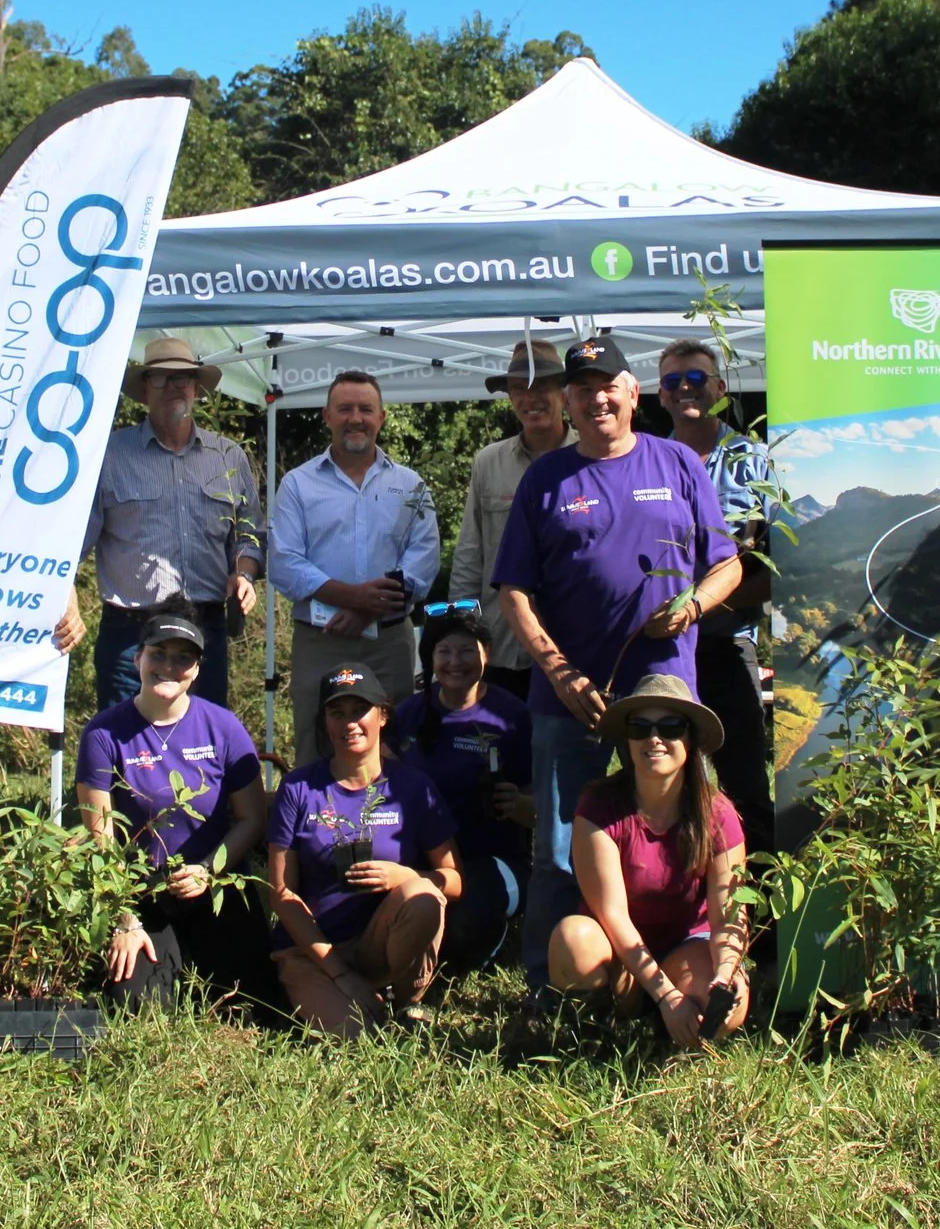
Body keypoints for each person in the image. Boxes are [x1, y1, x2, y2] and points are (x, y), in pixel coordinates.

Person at [491, 333, 741, 1022]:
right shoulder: (547, 478)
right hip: (568, 696)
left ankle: (679, 974)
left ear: (634, 392)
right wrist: (558, 668)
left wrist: (692, 603)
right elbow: (513, 589)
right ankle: (553, 995)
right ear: (567, 403)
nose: (596, 398)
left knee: (680, 833)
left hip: (663, 693)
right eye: (582, 389)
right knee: (557, 848)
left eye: (609, 385)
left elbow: (729, 565)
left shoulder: (680, 463)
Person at [77, 600, 278, 1010]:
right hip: (142, 891)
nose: (169, 667)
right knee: (135, 1006)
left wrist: (207, 869)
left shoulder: (223, 727)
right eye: (159, 654)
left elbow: (252, 819)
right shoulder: (102, 734)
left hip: (216, 884)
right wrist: (124, 919)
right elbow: (101, 841)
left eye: (183, 658)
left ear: (198, 669)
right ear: (138, 659)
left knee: (254, 1004)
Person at [54, 338, 263, 711]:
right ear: (145, 388)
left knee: (201, 747)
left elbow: (248, 534)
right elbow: (71, 539)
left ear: (197, 388)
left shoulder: (228, 456)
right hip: (130, 634)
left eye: (183, 378)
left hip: (205, 629)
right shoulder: (109, 455)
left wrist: (243, 574)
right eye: (163, 378)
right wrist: (64, 591)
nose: (174, 387)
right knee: (125, 748)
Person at [548, 674, 750, 1050]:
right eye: (640, 728)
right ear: (627, 740)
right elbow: (612, 916)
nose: (654, 738)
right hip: (617, 954)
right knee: (573, 937)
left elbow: (729, 916)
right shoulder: (598, 805)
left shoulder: (718, 813)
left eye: (670, 727)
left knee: (729, 1011)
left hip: (687, 946)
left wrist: (726, 973)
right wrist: (666, 995)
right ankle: (594, 1038)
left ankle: (676, 1031)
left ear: (690, 739)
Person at [265, 662, 462, 1036]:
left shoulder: (413, 787)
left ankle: (407, 1002)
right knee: (356, 1037)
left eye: (360, 710)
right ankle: (343, 995)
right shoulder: (298, 788)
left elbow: (454, 881)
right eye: (337, 713)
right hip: (315, 949)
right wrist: (340, 973)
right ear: (324, 721)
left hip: (380, 944)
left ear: (383, 716)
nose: (349, 722)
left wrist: (407, 876)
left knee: (423, 894)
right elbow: (280, 893)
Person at [268, 370, 441, 764]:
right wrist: (354, 597)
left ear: (382, 417)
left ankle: (390, 827)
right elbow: (285, 562)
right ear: (327, 416)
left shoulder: (411, 485)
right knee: (315, 742)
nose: (355, 418)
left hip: (389, 642)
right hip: (320, 638)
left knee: (394, 744)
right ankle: (315, 825)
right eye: (344, 409)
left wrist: (365, 610)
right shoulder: (298, 484)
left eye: (366, 409)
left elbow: (423, 561)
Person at [655, 336, 778, 857]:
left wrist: (704, 603)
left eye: (697, 378)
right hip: (663, 652)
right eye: (673, 381)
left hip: (728, 644)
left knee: (746, 785)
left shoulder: (754, 462)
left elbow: (775, 566)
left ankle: (767, 927)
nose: (685, 389)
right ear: (658, 396)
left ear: (721, 389)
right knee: (668, 791)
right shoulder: (648, 460)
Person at [388, 606, 532, 973]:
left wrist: (518, 804)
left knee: (463, 922)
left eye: (467, 650)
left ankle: (471, 955)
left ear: (487, 653)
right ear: (430, 657)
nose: (456, 662)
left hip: (496, 857)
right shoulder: (410, 713)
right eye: (444, 652)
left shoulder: (512, 716)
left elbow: (545, 809)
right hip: (423, 857)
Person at [448, 340, 571, 694]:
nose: (530, 398)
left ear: (563, 392)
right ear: (509, 397)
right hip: (501, 645)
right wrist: (463, 629)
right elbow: (470, 553)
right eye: (519, 388)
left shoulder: (589, 458)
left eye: (541, 386)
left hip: (570, 645)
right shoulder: (488, 461)